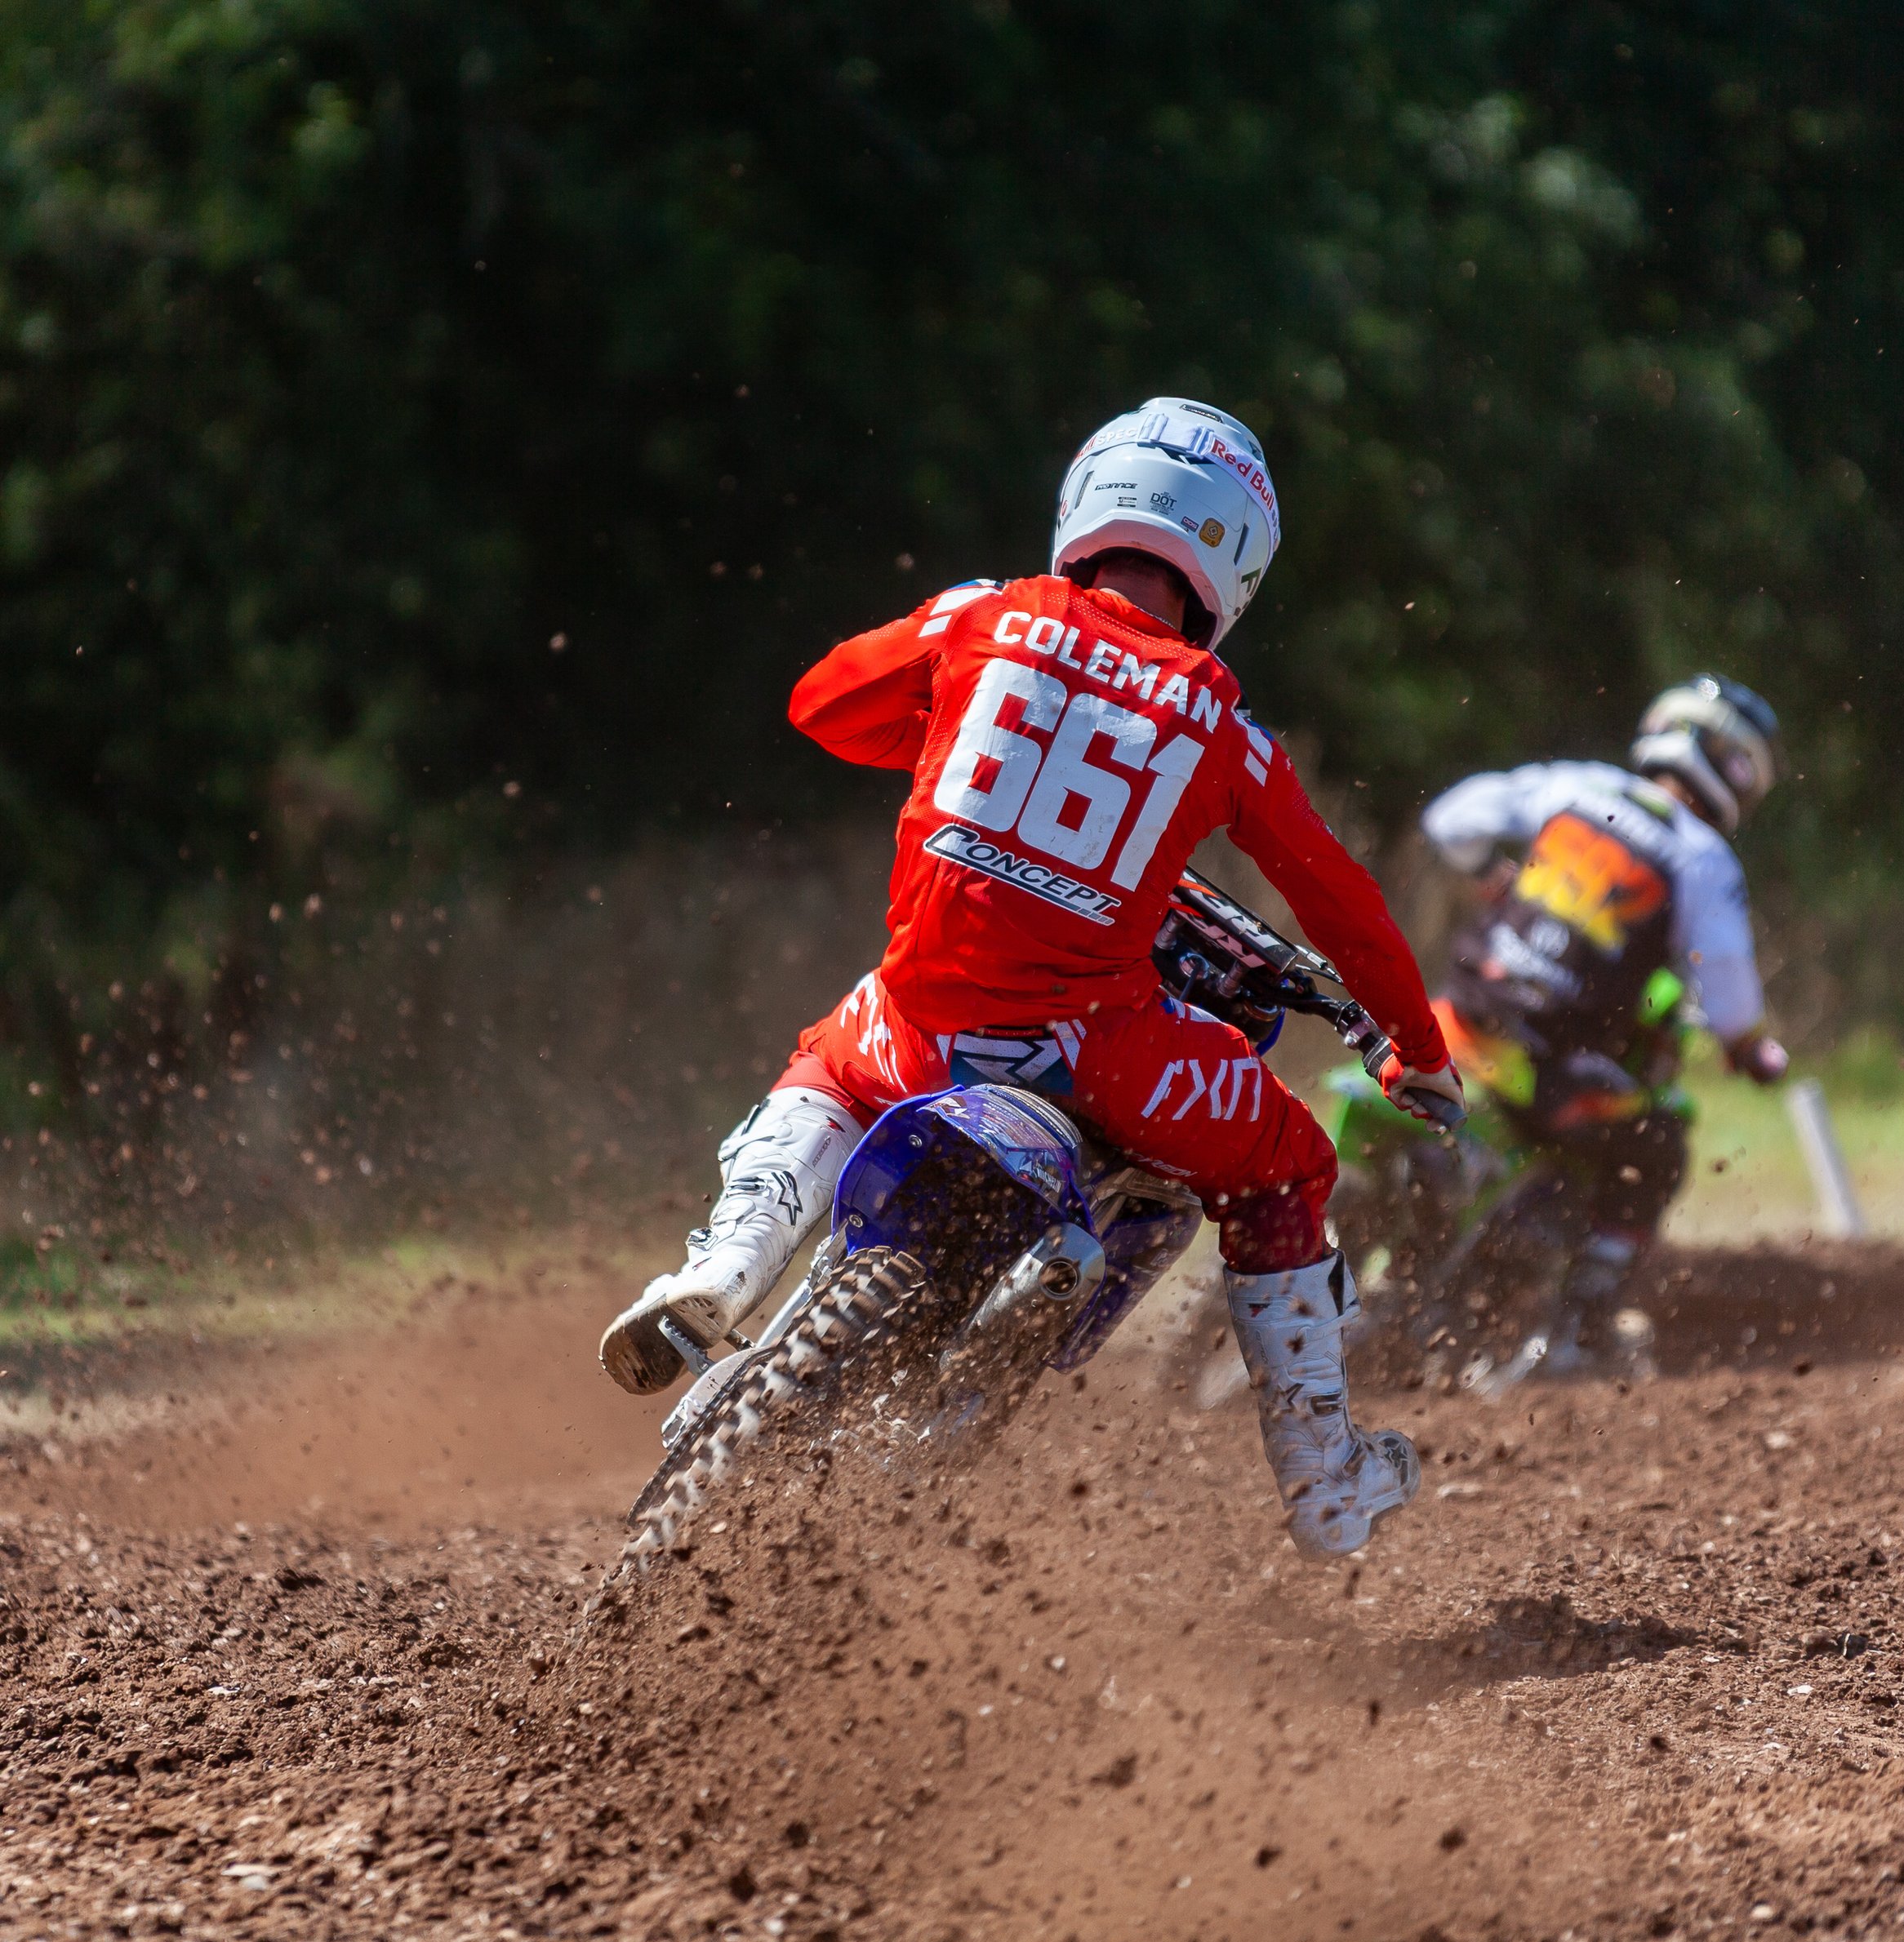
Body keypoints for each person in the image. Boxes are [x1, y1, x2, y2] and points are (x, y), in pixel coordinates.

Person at [598, 398, 1462, 1558]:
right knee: (1289, 1163)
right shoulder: (1225, 727)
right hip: (1101, 1051)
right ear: (1234, 564)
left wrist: (967, 716)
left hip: (919, 1024)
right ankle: (1325, 1475)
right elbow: (1341, 902)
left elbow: (820, 705)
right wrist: (1419, 1042)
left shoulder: (986, 617)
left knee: (827, 1060)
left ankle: (726, 1266)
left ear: (1087, 504)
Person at [1418, 675, 1790, 1376]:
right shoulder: (1701, 858)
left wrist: (1491, 874)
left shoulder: (1577, 786)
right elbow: (1731, 990)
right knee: (1657, 1148)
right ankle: (1578, 1331)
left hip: (1451, 1020)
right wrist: (1747, 1047)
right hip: (1548, 1068)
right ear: (1730, 766)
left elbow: (1452, 820)